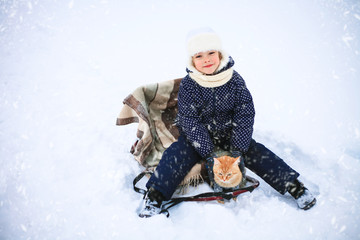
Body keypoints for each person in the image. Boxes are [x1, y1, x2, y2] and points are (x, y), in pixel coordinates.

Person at [138, 27, 316, 218]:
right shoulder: (189, 85)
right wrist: (207, 151)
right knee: (176, 155)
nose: (206, 59)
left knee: (258, 153)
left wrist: (238, 148)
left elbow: (245, 114)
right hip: (197, 137)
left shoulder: (234, 80)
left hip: (230, 134)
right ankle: (155, 195)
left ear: (220, 54)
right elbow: (189, 120)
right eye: (199, 56)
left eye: (211, 53)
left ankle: (294, 186)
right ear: (192, 60)